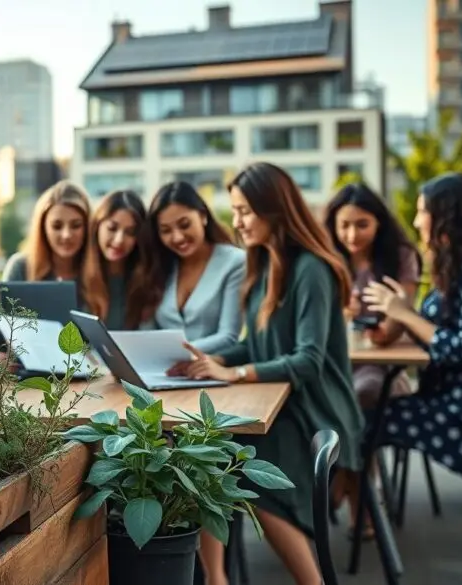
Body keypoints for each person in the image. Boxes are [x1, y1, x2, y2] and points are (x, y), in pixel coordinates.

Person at [172, 162, 364, 585]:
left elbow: (308, 360)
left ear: (274, 209)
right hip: (282, 405)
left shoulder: (312, 269)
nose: (237, 222)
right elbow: (258, 345)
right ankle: (216, 578)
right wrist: (205, 360)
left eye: (244, 211)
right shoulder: (263, 266)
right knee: (206, 452)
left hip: (316, 411)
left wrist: (235, 373)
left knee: (249, 470)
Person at [363, 172, 462, 481]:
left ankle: (338, 504)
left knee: (359, 424)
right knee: (356, 421)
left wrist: (406, 315)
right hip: (452, 399)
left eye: (423, 211)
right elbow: (440, 334)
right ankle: (348, 504)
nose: (416, 221)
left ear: (447, 217)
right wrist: (398, 316)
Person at [323, 182, 423, 537]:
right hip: (336, 365)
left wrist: (385, 320)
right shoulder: (326, 258)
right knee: (331, 396)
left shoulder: (400, 257)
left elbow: (394, 330)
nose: (352, 235)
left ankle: (351, 494)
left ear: (379, 222)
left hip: (383, 369)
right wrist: (340, 312)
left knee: (360, 395)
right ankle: (356, 493)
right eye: (344, 225)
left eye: (362, 224)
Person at [140, 181, 245, 354]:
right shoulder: (161, 266)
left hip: (212, 366)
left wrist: (174, 353)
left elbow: (229, 336)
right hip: (161, 368)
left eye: (184, 225)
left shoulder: (235, 262)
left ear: (203, 216)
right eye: (166, 230)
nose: (178, 237)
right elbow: (147, 331)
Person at [80, 190, 153, 330]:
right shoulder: (79, 274)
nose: (119, 240)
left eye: (130, 232)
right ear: (97, 226)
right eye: (112, 228)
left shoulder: (146, 280)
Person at [2, 180, 90, 282]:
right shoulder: (21, 268)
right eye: (57, 226)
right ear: (43, 227)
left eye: (76, 226)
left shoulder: (102, 270)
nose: (66, 235)